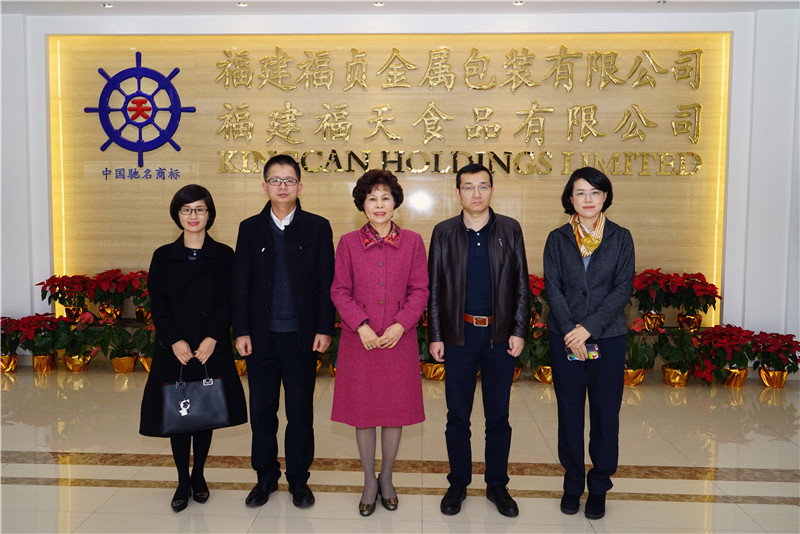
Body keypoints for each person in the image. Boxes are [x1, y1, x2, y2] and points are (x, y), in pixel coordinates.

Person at [232, 154, 336, 509]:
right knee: (262, 412)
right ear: (264, 186)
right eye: (275, 180)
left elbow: (326, 283)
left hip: (301, 337)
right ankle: (265, 477)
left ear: (299, 186)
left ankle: (298, 479)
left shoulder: (317, 227)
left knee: (300, 413)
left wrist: (324, 328)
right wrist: (241, 331)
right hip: (261, 338)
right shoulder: (250, 228)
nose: (282, 186)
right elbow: (240, 284)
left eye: (288, 180)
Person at [427, 163, 530, 518]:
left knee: (498, 416)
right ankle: (458, 482)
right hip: (459, 336)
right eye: (469, 187)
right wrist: (436, 335)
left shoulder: (510, 229)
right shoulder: (443, 232)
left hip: (499, 337)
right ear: (458, 193)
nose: (476, 193)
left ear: (492, 190)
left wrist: (519, 330)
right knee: (457, 416)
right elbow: (435, 289)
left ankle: (497, 485)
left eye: (483, 186)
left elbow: (521, 286)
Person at [139, 184, 248, 513]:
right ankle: (182, 480)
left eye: (200, 209)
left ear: (209, 214)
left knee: (204, 413)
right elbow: (158, 304)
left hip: (209, 347)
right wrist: (175, 340)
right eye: (186, 210)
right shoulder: (163, 256)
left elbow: (230, 300)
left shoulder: (225, 255)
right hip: (175, 348)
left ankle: (198, 474)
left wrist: (213, 337)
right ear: (177, 214)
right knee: (179, 414)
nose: (193, 215)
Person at [330, 170, 429, 517]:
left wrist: (402, 324)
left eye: (385, 197)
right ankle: (369, 481)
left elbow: (420, 289)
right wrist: (361, 326)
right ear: (362, 204)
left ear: (395, 202)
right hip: (361, 342)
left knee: (393, 411)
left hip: (398, 341)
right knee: (363, 414)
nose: (379, 204)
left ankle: (386, 477)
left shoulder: (413, 242)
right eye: (372, 198)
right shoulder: (348, 243)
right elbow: (339, 290)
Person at [543, 167, 634, 521]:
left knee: (605, 413)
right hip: (565, 337)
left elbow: (622, 289)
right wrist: (571, 331)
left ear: (605, 196)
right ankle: (572, 483)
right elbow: (553, 287)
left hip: (607, 338)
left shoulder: (621, 237)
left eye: (595, 192)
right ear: (570, 198)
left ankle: (598, 487)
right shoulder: (557, 238)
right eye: (580, 193)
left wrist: (588, 329)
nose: (588, 199)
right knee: (569, 411)